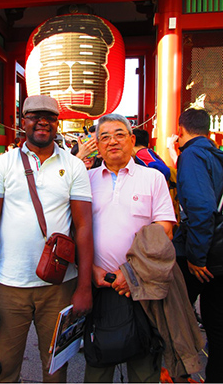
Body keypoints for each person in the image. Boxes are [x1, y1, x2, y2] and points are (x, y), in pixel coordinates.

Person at [0, 95, 93, 383]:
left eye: (49, 117)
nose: (42, 122)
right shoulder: (3, 164)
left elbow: (84, 227)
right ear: (22, 121)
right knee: (4, 368)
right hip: (9, 285)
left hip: (60, 286)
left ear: (57, 123)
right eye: (34, 116)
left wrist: (84, 286)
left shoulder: (73, 166)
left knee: (55, 368)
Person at [85, 114, 176, 383]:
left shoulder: (153, 178)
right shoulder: (85, 179)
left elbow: (165, 229)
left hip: (142, 286)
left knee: (144, 366)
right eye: (104, 137)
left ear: (132, 140)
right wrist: (89, 267)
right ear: (98, 145)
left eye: (119, 134)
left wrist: (132, 272)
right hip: (99, 285)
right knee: (97, 367)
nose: (112, 141)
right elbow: (74, 228)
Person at [172, 108, 223, 383]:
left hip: (203, 254)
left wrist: (196, 256)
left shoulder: (191, 155)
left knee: (175, 316)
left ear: (181, 129)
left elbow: (202, 208)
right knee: (217, 325)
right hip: (220, 254)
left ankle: (178, 373)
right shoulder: (216, 154)